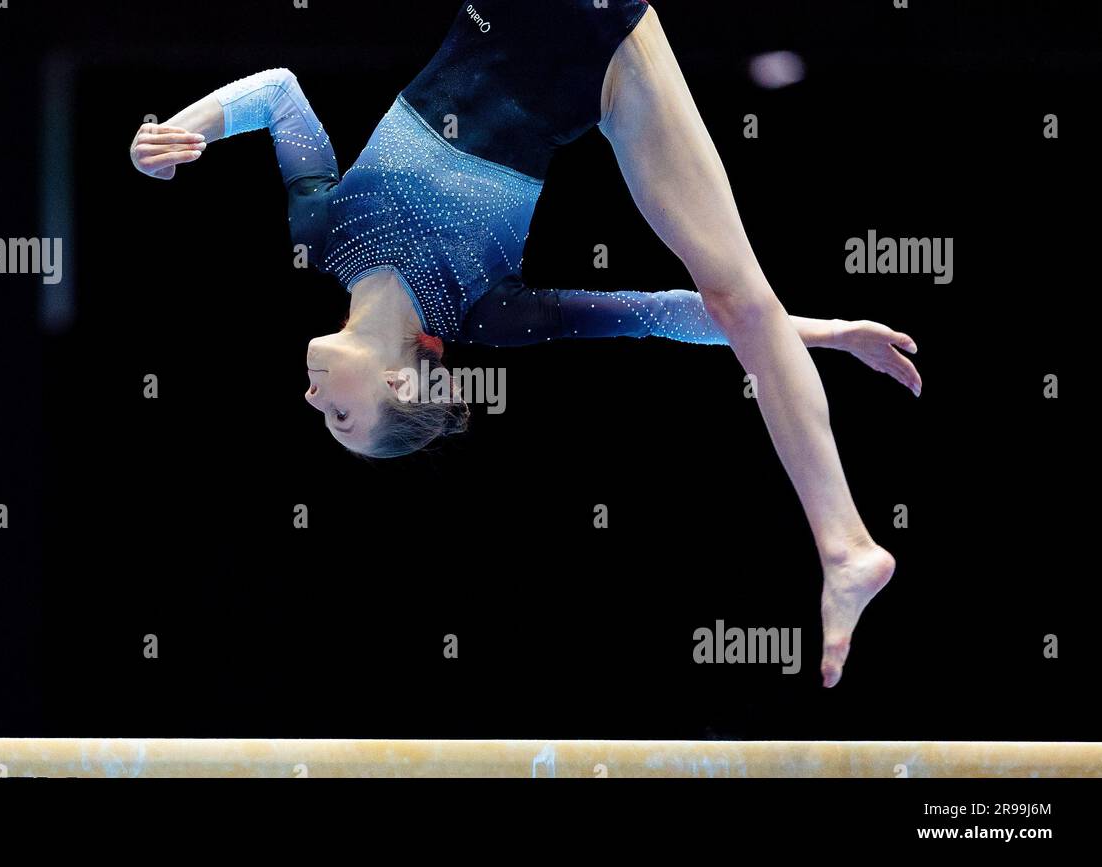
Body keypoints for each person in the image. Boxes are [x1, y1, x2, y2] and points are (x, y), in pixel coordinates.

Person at [129, 1, 919, 687]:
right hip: (606, 59)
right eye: (338, 417)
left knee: (748, 302)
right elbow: (655, 311)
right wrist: (819, 333)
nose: (311, 399)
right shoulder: (484, 311)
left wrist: (175, 134)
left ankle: (847, 545)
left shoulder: (321, 231)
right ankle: (847, 545)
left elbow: (278, 93)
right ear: (402, 388)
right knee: (743, 298)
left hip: (523, 13)